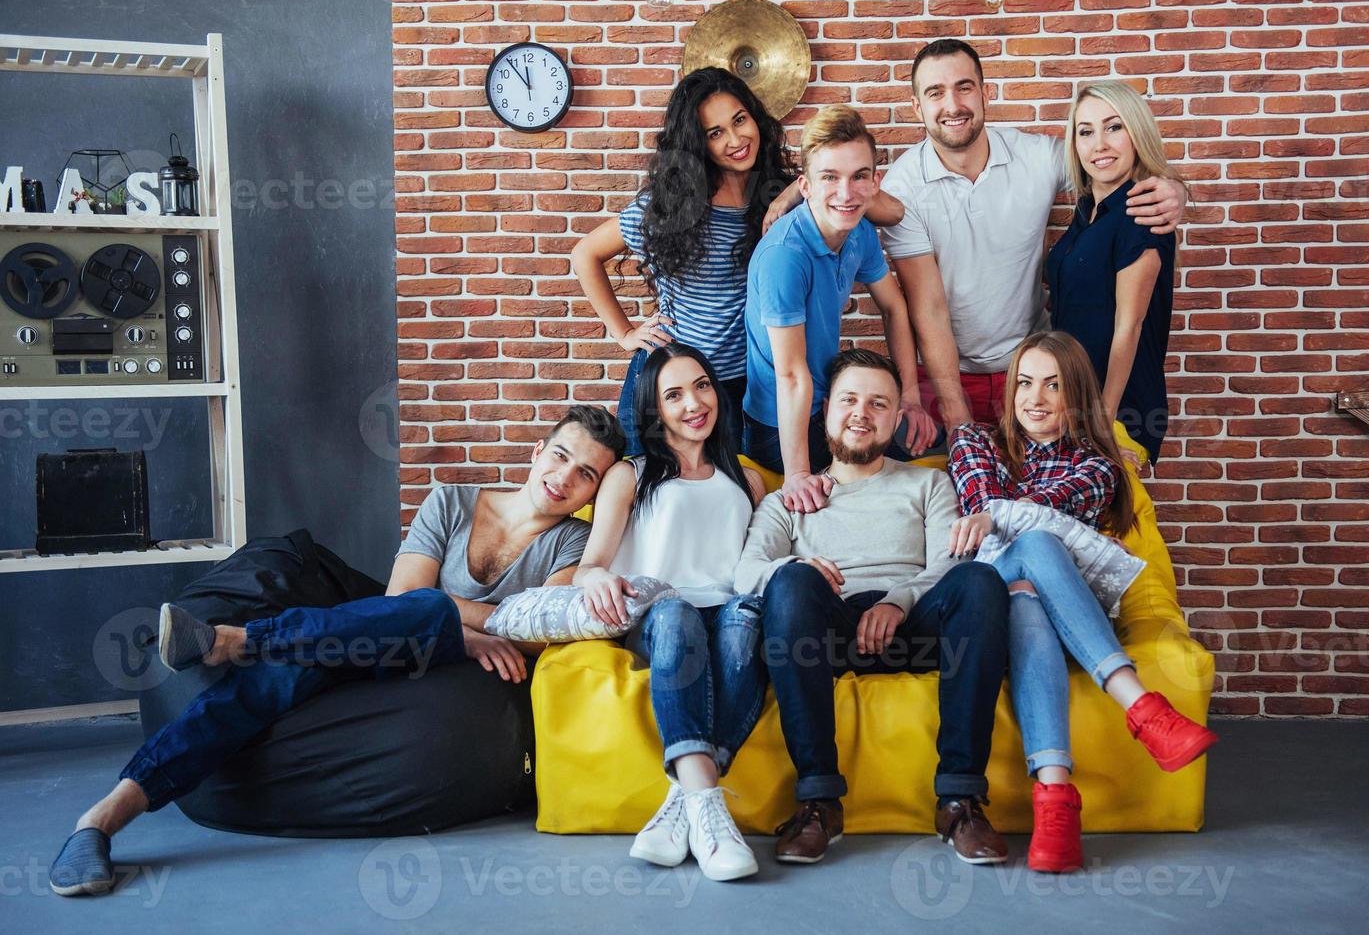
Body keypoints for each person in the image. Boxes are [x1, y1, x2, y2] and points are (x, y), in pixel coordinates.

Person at [47, 407, 626, 897]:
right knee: (286, 673)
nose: (565, 478)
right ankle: (103, 819)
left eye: (586, 474)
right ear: (537, 451)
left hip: (448, 680)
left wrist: (448, 620)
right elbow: (401, 597)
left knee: (417, 614)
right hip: (384, 637)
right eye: (560, 456)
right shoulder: (453, 502)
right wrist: (463, 623)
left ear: (595, 491)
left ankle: (237, 641)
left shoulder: (572, 544)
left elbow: (534, 628)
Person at [946, 331, 1217, 874]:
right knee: (1026, 567)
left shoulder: (1098, 465)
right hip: (987, 599)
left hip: (1073, 613)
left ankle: (1056, 808)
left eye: (1052, 385)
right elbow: (989, 508)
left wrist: (1001, 515)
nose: (1035, 398)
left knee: (1032, 576)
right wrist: (1002, 516)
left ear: (1077, 395)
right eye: (1024, 382)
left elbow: (1028, 508)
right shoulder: (973, 440)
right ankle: (1142, 708)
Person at [735, 348, 1012, 867]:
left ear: (895, 418)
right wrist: (798, 570)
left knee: (979, 578)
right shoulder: (786, 501)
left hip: (918, 626)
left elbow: (947, 565)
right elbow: (746, 574)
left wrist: (897, 602)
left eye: (879, 403)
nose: (862, 413)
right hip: (827, 633)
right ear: (827, 410)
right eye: (850, 400)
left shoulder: (928, 483)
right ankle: (817, 803)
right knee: (789, 580)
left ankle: (960, 801)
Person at [573, 67, 902, 455]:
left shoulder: (782, 192)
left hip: (744, 383)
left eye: (740, 120)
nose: (735, 139)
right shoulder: (667, 206)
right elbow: (585, 255)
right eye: (715, 133)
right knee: (644, 491)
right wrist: (624, 333)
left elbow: (890, 210)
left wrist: (789, 196)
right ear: (697, 143)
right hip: (672, 378)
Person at [873, 38, 1188, 434]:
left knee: (1038, 491)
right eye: (936, 92)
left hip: (1036, 368)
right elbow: (928, 307)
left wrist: (1172, 187)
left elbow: (1108, 160)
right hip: (949, 374)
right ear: (917, 106)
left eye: (964, 87)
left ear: (985, 93)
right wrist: (953, 406)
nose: (952, 105)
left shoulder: (1037, 157)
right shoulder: (904, 187)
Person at [571, 343, 768, 882]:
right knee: (677, 611)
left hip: (729, 614)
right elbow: (591, 565)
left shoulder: (746, 481)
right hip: (660, 619)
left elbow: (752, 569)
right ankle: (711, 807)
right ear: (655, 410)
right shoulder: (631, 474)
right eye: (674, 394)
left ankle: (686, 803)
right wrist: (600, 579)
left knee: (746, 615)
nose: (694, 403)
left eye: (702, 386)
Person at [743, 104, 937, 514]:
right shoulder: (785, 256)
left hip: (829, 405)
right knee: (866, 495)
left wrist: (911, 395)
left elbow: (894, 309)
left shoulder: (861, 231)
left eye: (858, 177)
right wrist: (797, 475)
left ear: (874, 181)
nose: (846, 194)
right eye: (830, 178)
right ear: (806, 186)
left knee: (933, 450)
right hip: (779, 424)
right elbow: (792, 376)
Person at [1046, 81, 1179, 465]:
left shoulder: (1141, 213)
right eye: (1085, 132)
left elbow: (1129, 326)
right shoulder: (1087, 212)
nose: (1099, 144)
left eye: (1114, 127)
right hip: (1075, 404)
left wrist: (1101, 422)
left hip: (1117, 411)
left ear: (1137, 133)